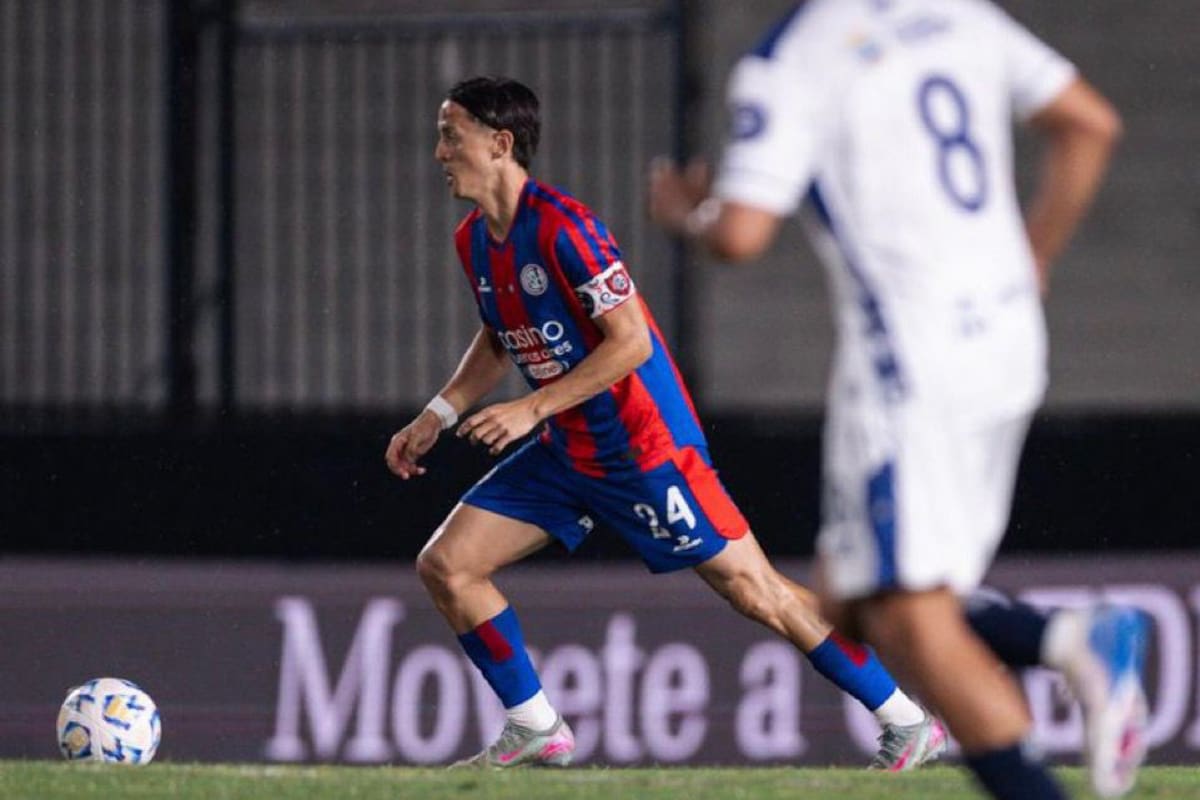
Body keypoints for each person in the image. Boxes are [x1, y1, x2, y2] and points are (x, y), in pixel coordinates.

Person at [647, 1, 1145, 798]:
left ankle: (1081, 641)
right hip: (1009, 338)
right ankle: (1068, 638)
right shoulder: (959, 14)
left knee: (914, 618)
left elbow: (739, 234)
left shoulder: (793, 55)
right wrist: (1034, 258)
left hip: (911, 363)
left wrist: (686, 216)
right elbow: (1089, 124)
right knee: (854, 600)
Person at [385, 75, 946, 770]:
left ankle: (906, 720)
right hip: (569, 451)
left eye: (451, 134)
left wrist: (532, 407)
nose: (439, 151)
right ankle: (535, 726)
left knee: (757, 592)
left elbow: (632, 343)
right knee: (448, 565)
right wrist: (438, 414)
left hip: (643, 449)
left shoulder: (566, 227)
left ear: (500, 144)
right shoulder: (474, 240)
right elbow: (501, 336)